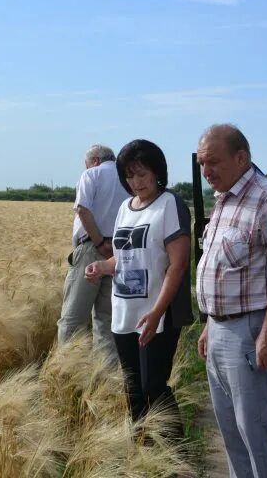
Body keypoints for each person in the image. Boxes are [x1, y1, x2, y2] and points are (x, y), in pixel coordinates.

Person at [195, 124, 267, 477]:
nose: (206, 172)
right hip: (220, 330)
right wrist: (210, 323)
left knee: (255, 432)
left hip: (250, 331)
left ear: (241, 158)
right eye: (201, 164)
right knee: (230, 432)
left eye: (213, 162)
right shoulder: (223, 199)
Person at [85, 139, 193, 432]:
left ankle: (175, 455)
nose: (136, 182)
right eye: (130, 175)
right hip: (124, 312)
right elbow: (122, 259)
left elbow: (178, 265)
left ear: (158, 172)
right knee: (133, 388)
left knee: (153, 386)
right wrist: (101, 267)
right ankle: (142, 450)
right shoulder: (124, 208)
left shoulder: (170, 204)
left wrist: (158, 311)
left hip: (155, 314)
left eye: (142, 174)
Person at [57, 144, 128, 360]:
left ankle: (67, 371)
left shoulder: (92, 174)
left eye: (86, 163)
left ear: (95, 161)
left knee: (73, 317)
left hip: (91, 248)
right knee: (106, 320)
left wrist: (98, 242)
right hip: (119, 254)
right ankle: (106, 381)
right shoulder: (128, 177)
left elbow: (82, 209)